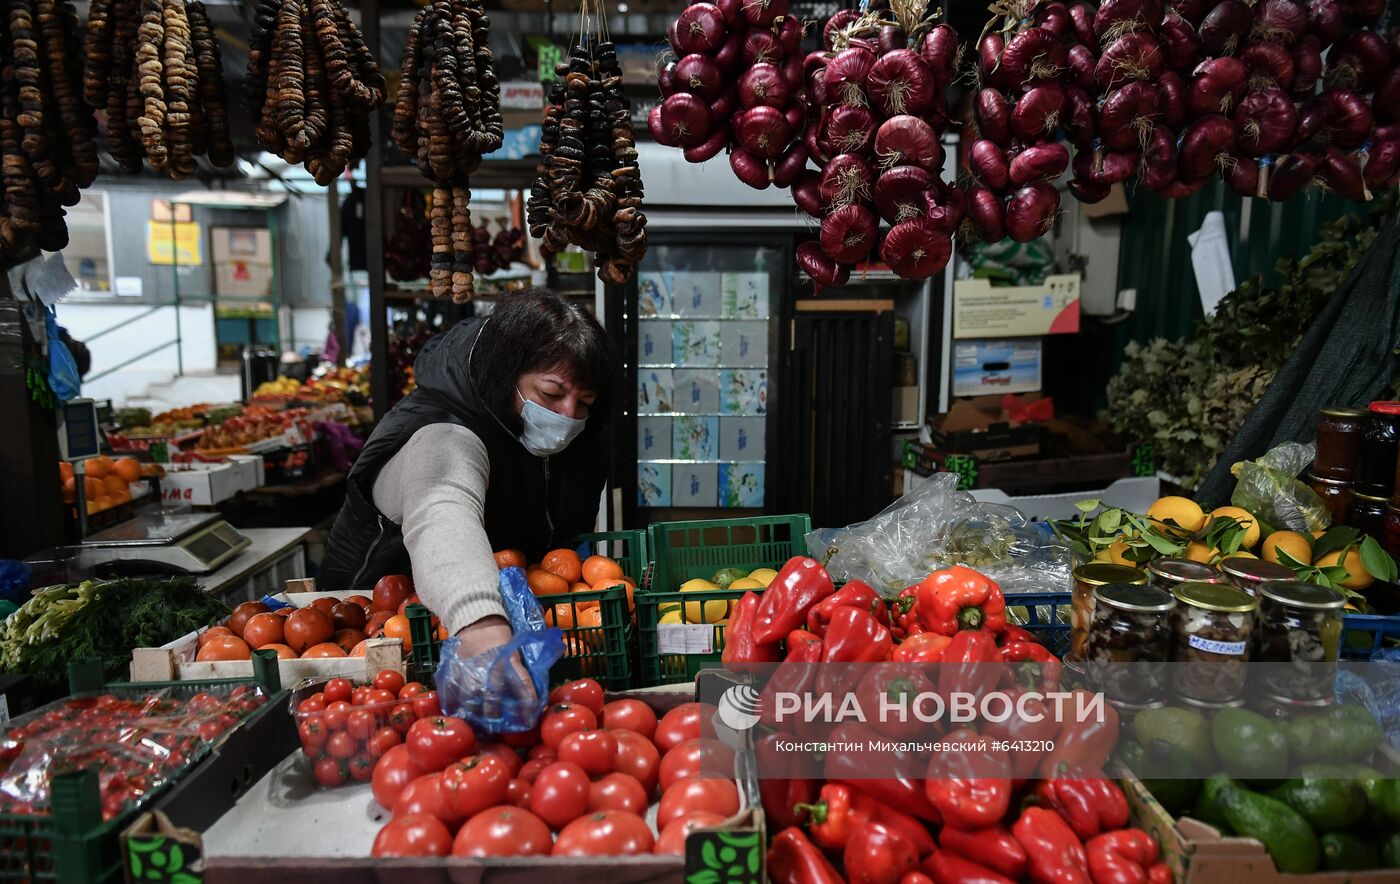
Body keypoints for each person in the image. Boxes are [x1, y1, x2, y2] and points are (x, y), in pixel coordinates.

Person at [320, 288, 616, 662]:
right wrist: (482, 624)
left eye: (584, 402)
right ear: (507, 373)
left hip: (511, 619)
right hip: (375, 629)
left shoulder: (582, 438)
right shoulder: (443, 432)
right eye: (551, 393)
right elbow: (443, 514)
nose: (568, 414)